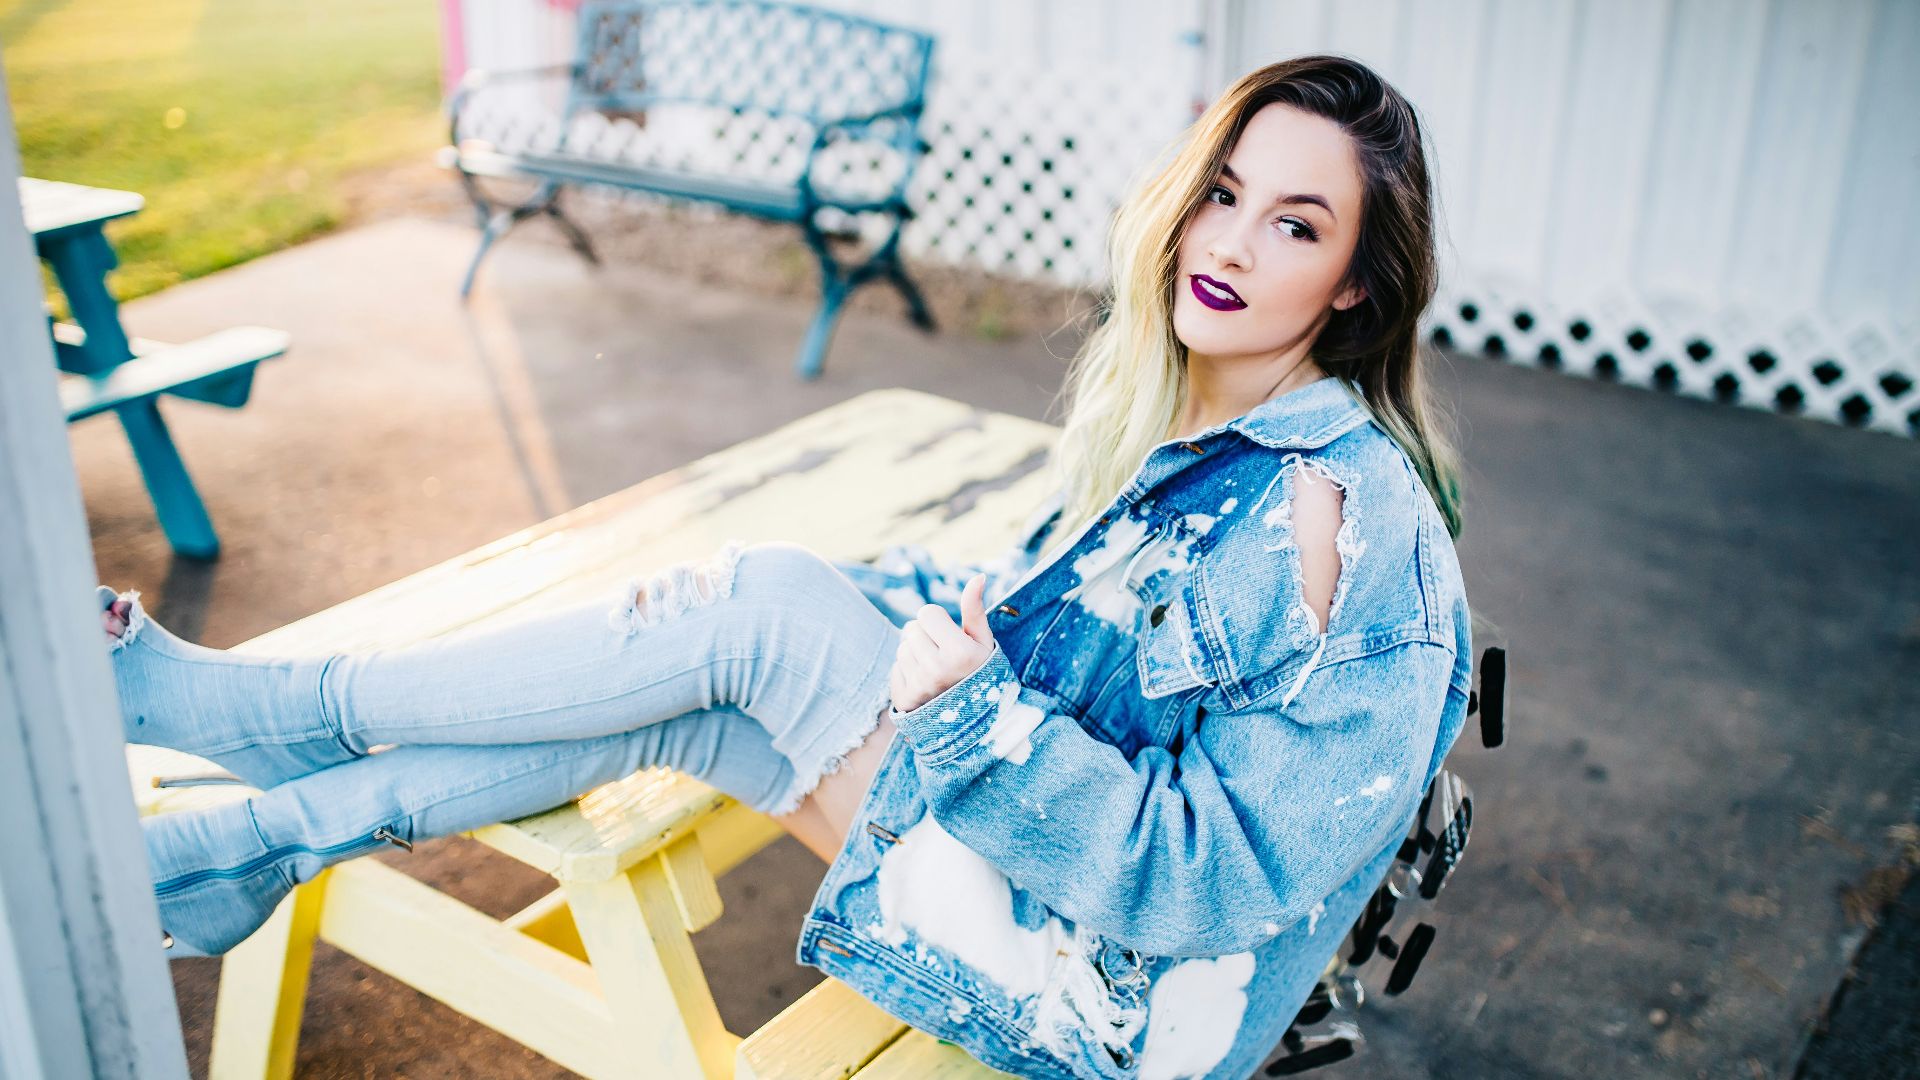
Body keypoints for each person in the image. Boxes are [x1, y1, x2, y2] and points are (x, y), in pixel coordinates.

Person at [100, 54, 1473, 1080]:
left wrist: (973, 710)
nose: (1229, 241)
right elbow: (1066, 620)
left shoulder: (1342, 529)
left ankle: (270, 718)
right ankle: (265, 844)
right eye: (1225, 191)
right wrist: (932, 618)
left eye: (1297, 224)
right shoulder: (1212, 425)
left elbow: (1202, 882)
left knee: (759, 619)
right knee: (724, 670)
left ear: (1356, 280)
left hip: (1121, 995)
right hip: (1053, 883)